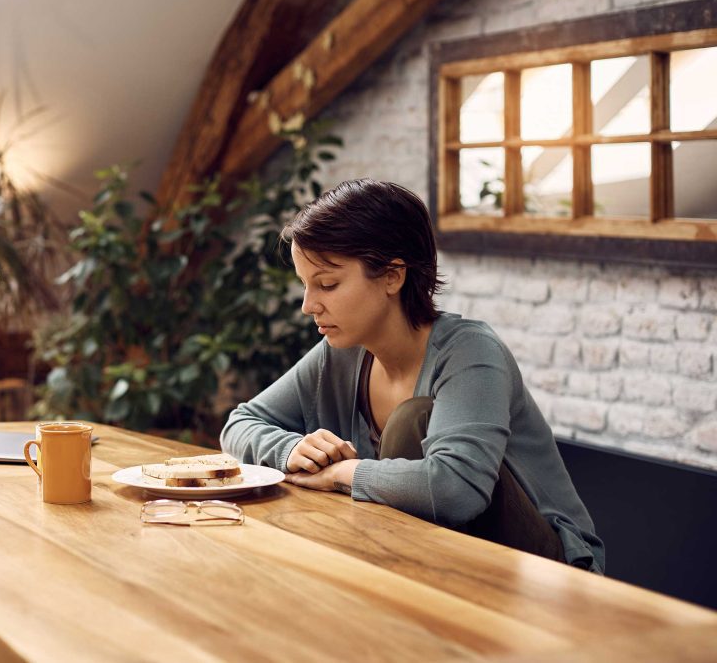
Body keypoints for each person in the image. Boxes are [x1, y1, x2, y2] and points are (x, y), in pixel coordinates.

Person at [220, 179, 604, 573]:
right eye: (305, 285)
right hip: (430, 558)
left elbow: (455, 490)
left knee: (411, 420)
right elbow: (240, 424)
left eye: (327, 284)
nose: (308, 305)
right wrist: (291, 451)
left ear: (392, 276)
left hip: (546, 573)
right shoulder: (341, 355)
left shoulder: (471, 352)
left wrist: (342, 472)